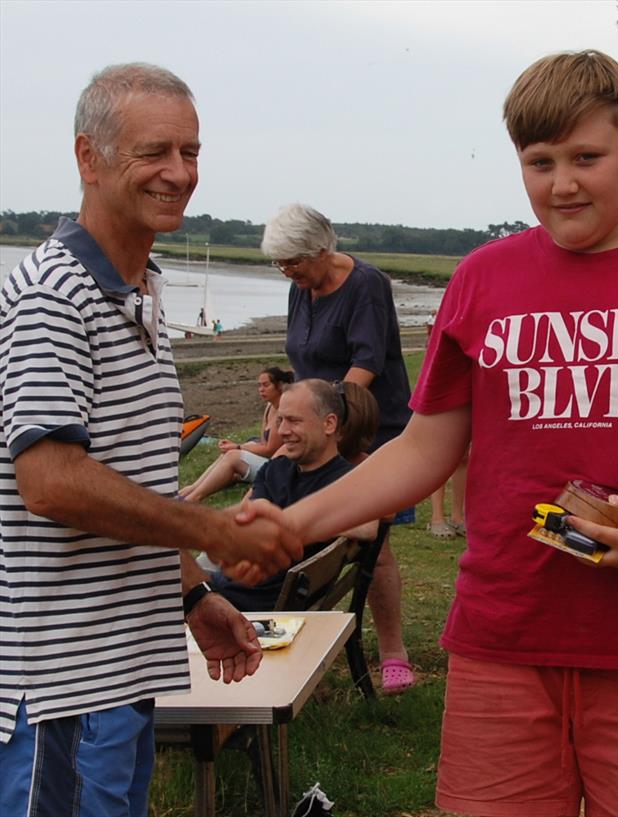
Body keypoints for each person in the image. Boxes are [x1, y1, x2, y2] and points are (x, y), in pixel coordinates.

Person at [237, 51, 618, 816]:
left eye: (586, 157)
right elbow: (427, 446)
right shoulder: (482, 278)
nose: (562, 182)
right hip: (504, 633)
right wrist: (291, 523)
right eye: (540, 162)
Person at [0, 63, 301, 817]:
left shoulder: (142, 290)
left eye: (190, 152)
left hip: (124, 669)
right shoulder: (51, 295)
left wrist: (195, 590)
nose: (178, 173)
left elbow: (133, 481)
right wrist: (209, 527)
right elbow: (52, 480)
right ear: (87, 158)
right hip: (59, 684)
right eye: (154, 152)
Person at [262, 203, 415, 694]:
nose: (287, 271)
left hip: (367, 423)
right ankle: (304, 637)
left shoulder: (366, 285)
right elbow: (300, 357)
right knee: (313, 529)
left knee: (375, 541)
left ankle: (393, 651)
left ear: (323, 250)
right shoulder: (300, 287)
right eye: (280, 264)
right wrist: (296, 420)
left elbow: (366, 362)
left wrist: (333, 424)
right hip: (318, 423)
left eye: (293, 262)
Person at [208, 379, 379, 610]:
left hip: (251, 602)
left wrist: (288, 520)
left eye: (294, 421)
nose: (282, 431)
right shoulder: (274, 470)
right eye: (280, 420)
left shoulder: (348, 480)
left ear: (329, 424)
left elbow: (368, 527)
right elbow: (247, 523)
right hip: (236, 588)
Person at [179, 365, 294, 502]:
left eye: (266, 385)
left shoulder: (282, 411)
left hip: (277, 465)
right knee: (231, 451)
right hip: (268, 458)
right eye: (259, 386)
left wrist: (238, 447)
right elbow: (263, 442)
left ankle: (194, 498)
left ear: (279, 386)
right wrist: (239, 446)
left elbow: (270, 450)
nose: (261, 390)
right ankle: (193, 488)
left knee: (233, 455)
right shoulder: (270, 407)